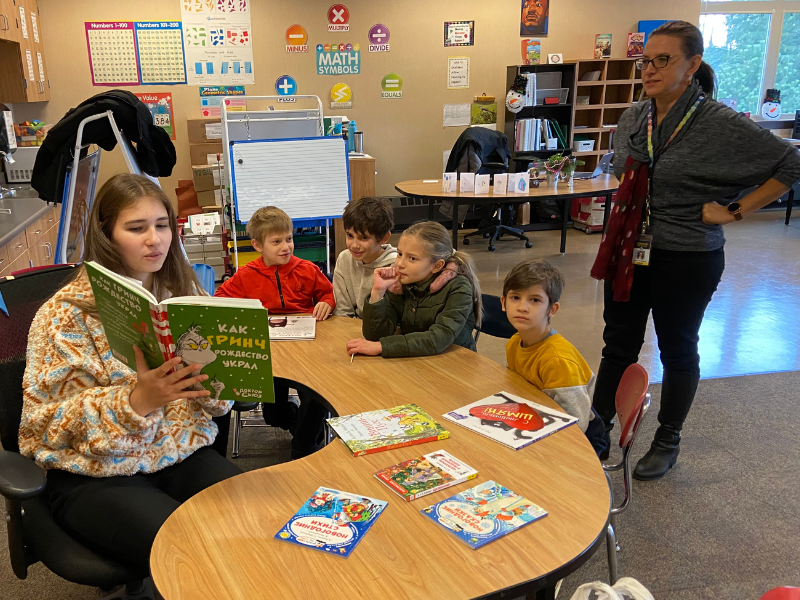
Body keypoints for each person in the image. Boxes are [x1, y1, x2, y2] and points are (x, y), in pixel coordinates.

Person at [591, 20, 800, 480]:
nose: (649, 69)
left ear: (693, 65)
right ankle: (599, 428)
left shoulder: (718, 122)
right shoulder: (633, 117)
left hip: (687, 256)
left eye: (663, 59)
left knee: (677, 347)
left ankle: (668, 438)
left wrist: (734, 210)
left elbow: (792, 162)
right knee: (618, 344)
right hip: (631, 252)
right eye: (646, 60)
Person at [18, 173, 242, 578]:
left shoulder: (186, 296)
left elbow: (216, 404)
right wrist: (137, 402)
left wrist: (215, 381)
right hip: (91, 472)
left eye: (161, 226)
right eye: (136, 228)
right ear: (107, 235)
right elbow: (43, 426)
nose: (154, 240)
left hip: (175, 453)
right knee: (196, 556)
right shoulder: (63, 315)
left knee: (255, 521)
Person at [214, 206, 335, 458]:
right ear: (258, 245)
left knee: (317, 396)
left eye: (289, 239)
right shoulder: (246, 275)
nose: (286, 247)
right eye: (276, 241)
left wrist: (327, 302)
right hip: (270, 352)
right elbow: (220, 300)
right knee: (273, 415)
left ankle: (304, 446)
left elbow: (327, 293)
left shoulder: (307, 269)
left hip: (308, 347)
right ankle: (299, 426)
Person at [501, 259, 608, 457]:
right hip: (538, 418)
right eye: (515, 297)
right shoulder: (514, 343)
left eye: (535, 300)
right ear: (503, 303)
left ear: (552, 309)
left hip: (581, 437)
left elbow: (577, 423)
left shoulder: (558, 360)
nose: (523, 307)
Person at [347, 221, 481, 358]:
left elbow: (437, 339)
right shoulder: (401, 283)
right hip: (418, 360)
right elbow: (375, 335)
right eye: (399, 254)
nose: (399, 264)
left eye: (412, 258)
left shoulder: (459, 288)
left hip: (456, 363)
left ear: (437, 266)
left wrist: (382, 346)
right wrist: (377, 292)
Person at [333, 196, 397, 318]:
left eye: (364, 238)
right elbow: (342, 312)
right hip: (352, 327)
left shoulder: (395, 265)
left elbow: (392, 317)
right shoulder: (344, 259)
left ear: (384, 238)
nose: (354, 245)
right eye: (349, 235)